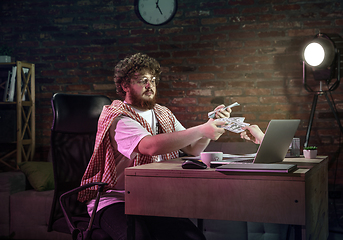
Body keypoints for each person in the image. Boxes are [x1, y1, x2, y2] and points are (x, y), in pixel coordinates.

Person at [78, 53, 232, 240]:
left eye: (152, 80)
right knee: (139, 237)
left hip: (149, 198)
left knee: (193, 238)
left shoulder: (163, 113)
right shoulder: (118, 117)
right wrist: (202, 130)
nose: (150, 86)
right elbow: (148, 146)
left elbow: (192, 149)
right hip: (114, 200)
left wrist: (211, 124)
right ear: (125, 86)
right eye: (143, 80)